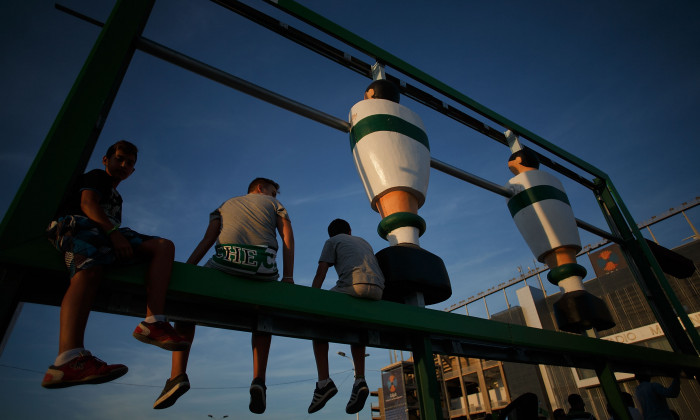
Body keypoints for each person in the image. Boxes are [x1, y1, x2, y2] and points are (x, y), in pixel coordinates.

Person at [43, 140, 190, 388]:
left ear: (134, 170)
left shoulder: (116, 197)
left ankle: (153, 322)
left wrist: (115, 236)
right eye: (119, 159)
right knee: (87, 273)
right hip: (79, 227)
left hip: (105, 235)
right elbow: (87, 204)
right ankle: (67, 359)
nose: (124, 165)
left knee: (163, 246)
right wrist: (114, 233)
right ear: (106, 159)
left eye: (130, 163)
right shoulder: (97, 176)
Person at [153, 177, 294, 414]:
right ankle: (259, 380)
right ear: (260, 189)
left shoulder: (223, 205)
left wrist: (189, 269)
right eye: (273, 192)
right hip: (263, 268)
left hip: (224, 262)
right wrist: (288, 277)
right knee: (264, 317)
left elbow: (208, 240)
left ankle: (177, 375)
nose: (275, 197)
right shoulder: (274, 206)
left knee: (186, 309)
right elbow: (287, 238)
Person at [307, 219, 384, 415]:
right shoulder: (364, 241)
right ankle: (360, 379)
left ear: (330, 234)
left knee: (318, 324)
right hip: (378, 291)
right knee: (356, 328)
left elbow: (321, 272)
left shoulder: (332, 242)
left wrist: (309, 301)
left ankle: (324, 382)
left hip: (354, 286)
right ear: (349, 231)